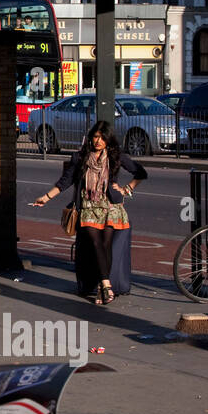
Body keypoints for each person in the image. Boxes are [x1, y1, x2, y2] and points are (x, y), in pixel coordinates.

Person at [32, 121, 147, 305]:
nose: (98, 141)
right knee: (95, 242)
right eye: (95, 137)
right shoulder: (80, 157)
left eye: (102, 138)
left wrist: (126, 190)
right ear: (90, 137)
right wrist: (46, 197)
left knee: (106, 245)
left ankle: (103, 288)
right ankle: (107, 285)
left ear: (108, 139)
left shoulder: (115, 156)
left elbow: (140, 172)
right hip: (88, 206)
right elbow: (65, 181)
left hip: (110, 206)